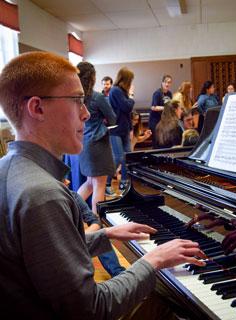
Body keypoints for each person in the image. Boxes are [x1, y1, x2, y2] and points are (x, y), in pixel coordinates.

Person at [0, 51, 206, 319]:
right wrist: (153, 260)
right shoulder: (43, 194)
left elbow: (44, 260)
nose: (85, 114)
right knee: (168, 305)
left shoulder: (8, 168)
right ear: (37, 108)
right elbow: (92, 309)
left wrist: (106, 235)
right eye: (77, 101)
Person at [77, 62, 117, 210]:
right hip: (98, 144)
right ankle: (97, 221)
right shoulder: (97, 97)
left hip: (83, 142)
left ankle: (72, 211)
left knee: (89, 183)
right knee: (99, 184)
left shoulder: (76, 97)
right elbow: (112, 118)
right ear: (92, 77)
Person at [106, 67, 135, 194]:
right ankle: (106, 183)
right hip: (116, 130)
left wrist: (131, 128)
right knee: (118, 158)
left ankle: (124, 183)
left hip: (124, 129)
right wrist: (132, 95)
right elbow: (126, 107)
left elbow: (127, 113)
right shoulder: (116, 91)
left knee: (127, 157)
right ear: (126, 79)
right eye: (130, 80)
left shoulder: (122, 91)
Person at [149, 74, 173, 148]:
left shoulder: (169, 94)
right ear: (162, 83)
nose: (167, 84)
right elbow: (153, 107)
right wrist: (165, 108)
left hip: (164, 122)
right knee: (156, 143)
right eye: (166, 82)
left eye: (169, 82)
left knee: (164, 142)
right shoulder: (157, 93)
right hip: (155, 121)